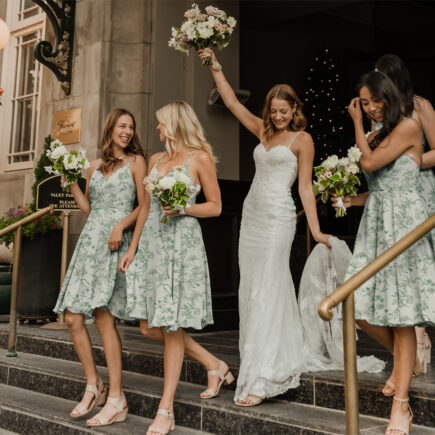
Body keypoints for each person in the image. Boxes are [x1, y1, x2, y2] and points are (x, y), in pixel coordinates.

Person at [198, 48, 331, 407]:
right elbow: (230, 102)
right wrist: (215, 67)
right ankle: (255, 363)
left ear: (295, 110)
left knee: (268, 288)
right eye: (273, 111)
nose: (278, 116)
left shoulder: (303, 140)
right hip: (252, 216)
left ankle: (266, 375)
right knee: (251, 290)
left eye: (284, 111)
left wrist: (316, 230)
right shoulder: (262, 130)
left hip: (279, 219)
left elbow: (305, 187)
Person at [119, 101, 232, 435]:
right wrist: (134, 249)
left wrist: (184, 207)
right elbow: (144, 209)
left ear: (176, 123)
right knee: (146, 326)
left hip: (182, 247)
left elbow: (216, 206)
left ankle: (165, 409)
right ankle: (214, 364)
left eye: (161, 123)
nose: (157, 128)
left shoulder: (199, 158)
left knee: (170, 328)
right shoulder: (156, 160)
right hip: (153, 247)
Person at [346, 71, 435, 435]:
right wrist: (351, 199)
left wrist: (354, 123)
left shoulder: (410, 127)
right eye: (363, 103)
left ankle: (401, 407)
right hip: (376, 225)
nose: (369, 109)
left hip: (404, 224)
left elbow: (367, 164)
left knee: (400, 315)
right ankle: (408, 359)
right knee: (355, 303)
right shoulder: (376, 136)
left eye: (375, 101)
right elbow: (379, 184)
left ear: (390, 96)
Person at [53, 108, 147, 426]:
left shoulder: (136, 162)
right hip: (91, 244)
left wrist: (121, 226)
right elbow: (90, 210)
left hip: (115, 244)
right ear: (110, 128)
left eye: (131, 127)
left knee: (105, 320)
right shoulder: (93, 166)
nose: (127, 131)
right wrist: (74, 186)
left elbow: (145, 205)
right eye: (122, 126)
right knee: (72, 317)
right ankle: (94, 385)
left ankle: (118, 399)